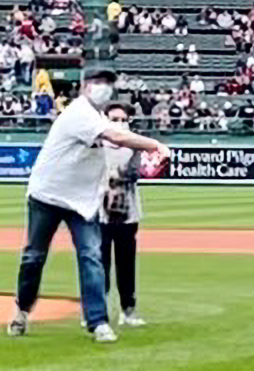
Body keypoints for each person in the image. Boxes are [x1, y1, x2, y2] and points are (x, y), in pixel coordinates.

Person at [13, 70, 167, 342]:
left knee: (91, 256)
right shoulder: (78, 112)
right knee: (34, 256)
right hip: (47, 195)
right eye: (97, 84)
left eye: (107, 84)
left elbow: (120, 146)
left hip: (81, 202)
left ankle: (97, 321)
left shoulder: (100, 119)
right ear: (85, 87)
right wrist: (154, 145)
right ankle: (22, 311)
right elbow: (117, 138)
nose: (102, 89)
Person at [98, 98, 147, 328]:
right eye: (114, 119)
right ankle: (97, 311)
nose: (119, 124)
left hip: (128, 212)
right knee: (99, 264)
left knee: (126, 264)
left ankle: (128, 310)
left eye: (123, 120)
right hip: (98, 212)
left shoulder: (134, 145)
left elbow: (137, 172)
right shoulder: (95, 145)